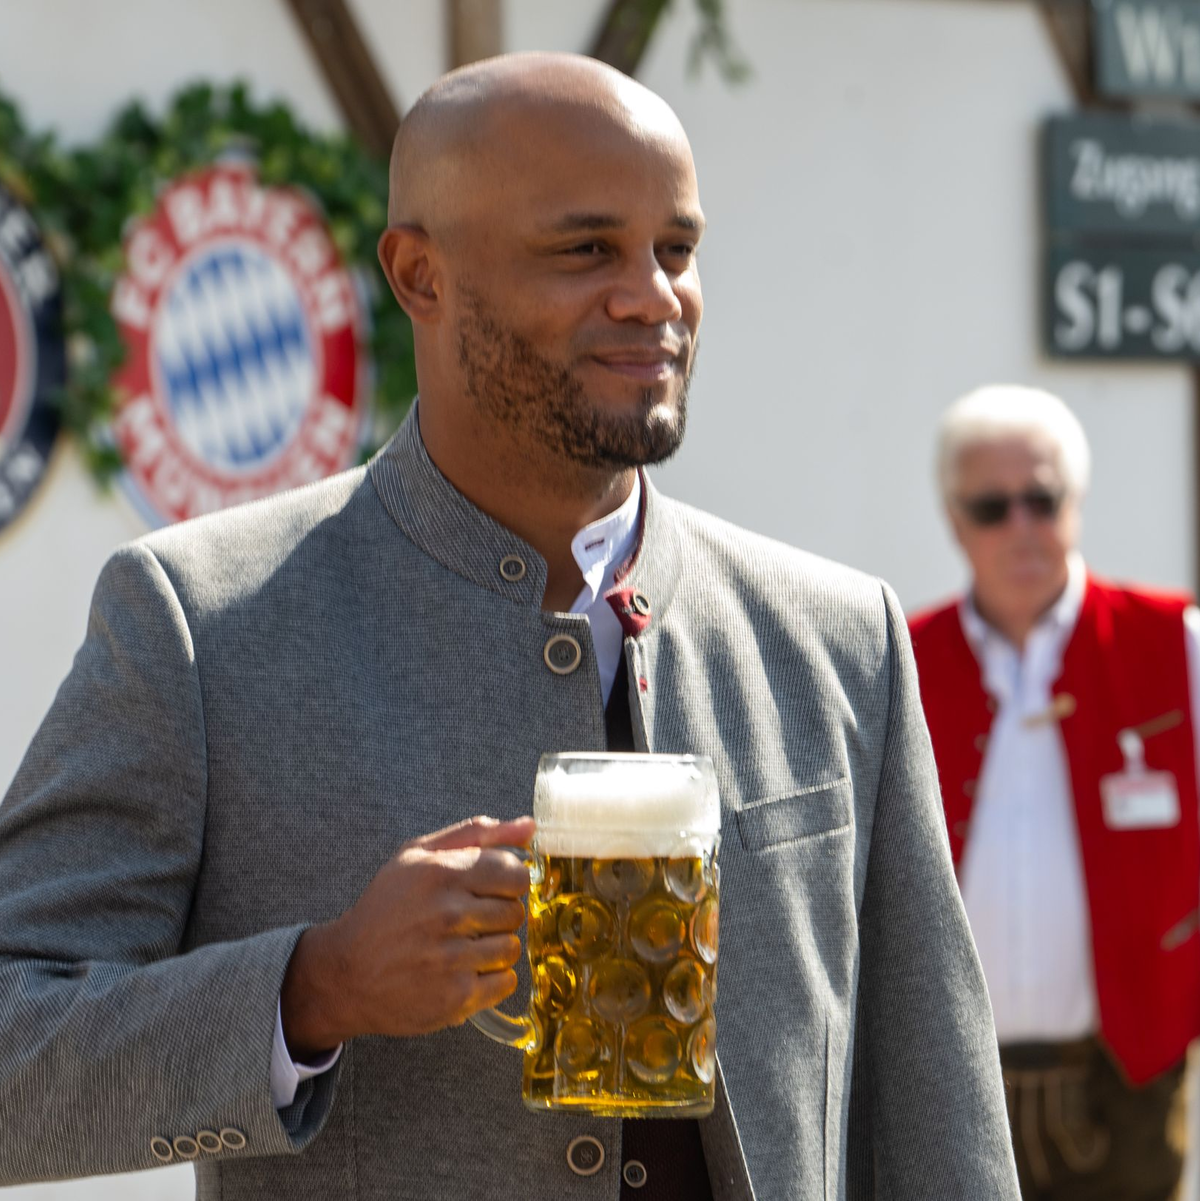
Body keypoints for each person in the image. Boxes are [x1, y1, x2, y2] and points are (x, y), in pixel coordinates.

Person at [0, 53, 1018, 1200]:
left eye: (675, 249)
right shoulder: (202, 627)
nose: (652, 295)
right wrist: (313, 988)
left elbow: (940, 1118)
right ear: (420, 274)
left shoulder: (842, 640)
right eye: (586, 250)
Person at [909, 384, 1199, 1200]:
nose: (1023, 527)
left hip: (1130, 1080)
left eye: (1042, 498)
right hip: (952, 1084)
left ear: (1077, 499)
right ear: (954, 518)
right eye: (993, 506)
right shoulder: (900, 659)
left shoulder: (1175, 644)